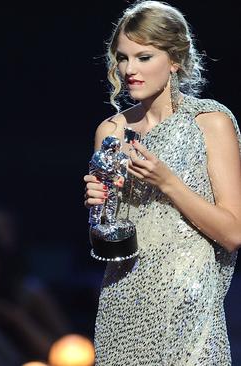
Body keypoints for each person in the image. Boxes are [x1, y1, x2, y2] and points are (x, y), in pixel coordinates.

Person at [82, 1, 241, 364]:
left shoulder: (209, 122)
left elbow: (233, 233)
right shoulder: (112, 131)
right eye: (123, 58)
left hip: (189, 301)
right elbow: (106, 243)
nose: (129, 69)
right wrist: (98, 212)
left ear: (174, 60)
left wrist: (167, 182)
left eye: (144, 57)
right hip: (124, 301)